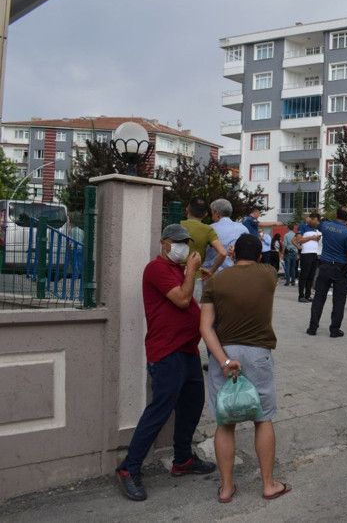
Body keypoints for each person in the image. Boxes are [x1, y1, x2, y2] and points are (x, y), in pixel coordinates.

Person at [115, 224, 216, 502]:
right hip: (166, 352)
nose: (183, 247)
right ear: (164, 243)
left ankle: (183, 459)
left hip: (187, 350)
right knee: (160, 410)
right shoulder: (156, 269)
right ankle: (128, 468)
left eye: (186, 243)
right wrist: (192, 271)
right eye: (177, 242)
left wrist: (196, 275)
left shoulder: (179, 270)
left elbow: (190, 299)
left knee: (193, 404)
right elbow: (182, 300)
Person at [200, 234, 291, 503]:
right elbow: (266, 261)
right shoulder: (268, 274)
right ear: (259, 256)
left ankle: (226, 487)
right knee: (262, 419)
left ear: (233, 254)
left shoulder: (215, 281)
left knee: (225, 422)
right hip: (259, 355)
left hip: (224, 354)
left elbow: (205, 327)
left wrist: (224, 361)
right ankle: (268, 484)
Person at [306, 206, 347, 338]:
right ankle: (334, 330)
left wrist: (311, 216)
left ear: (336, 214)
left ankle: (312, 328)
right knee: (339, 301)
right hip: (340, 270)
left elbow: (312, 222)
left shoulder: (326, 226)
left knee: (319, 298)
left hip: (324, 267)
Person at [181, 197, 227, 303]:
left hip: (175, 274)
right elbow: (223, 253)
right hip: (195, 276)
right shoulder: (208, 230)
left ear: (187, 209)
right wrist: (211, 271)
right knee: (194, 310)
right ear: (205, 214)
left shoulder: (178, 225)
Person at [203, 199, 248, 274]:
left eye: (212, 213)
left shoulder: (209, 229)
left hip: (211, 274)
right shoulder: (243, 229)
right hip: (236, 273)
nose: (212, 217)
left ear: (217, 213)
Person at [295, 213, 321, 303]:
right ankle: (301, 296)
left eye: (317, 221)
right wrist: (311, 238)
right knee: (304, 276)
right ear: (310, 219)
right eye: (315, 220)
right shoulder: (302, 226)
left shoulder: (315, 229)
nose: (316, 222)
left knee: (311, 276)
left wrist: (317, 238)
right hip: (306, 254)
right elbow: (299, 239)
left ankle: (308, 295)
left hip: (314, 254)